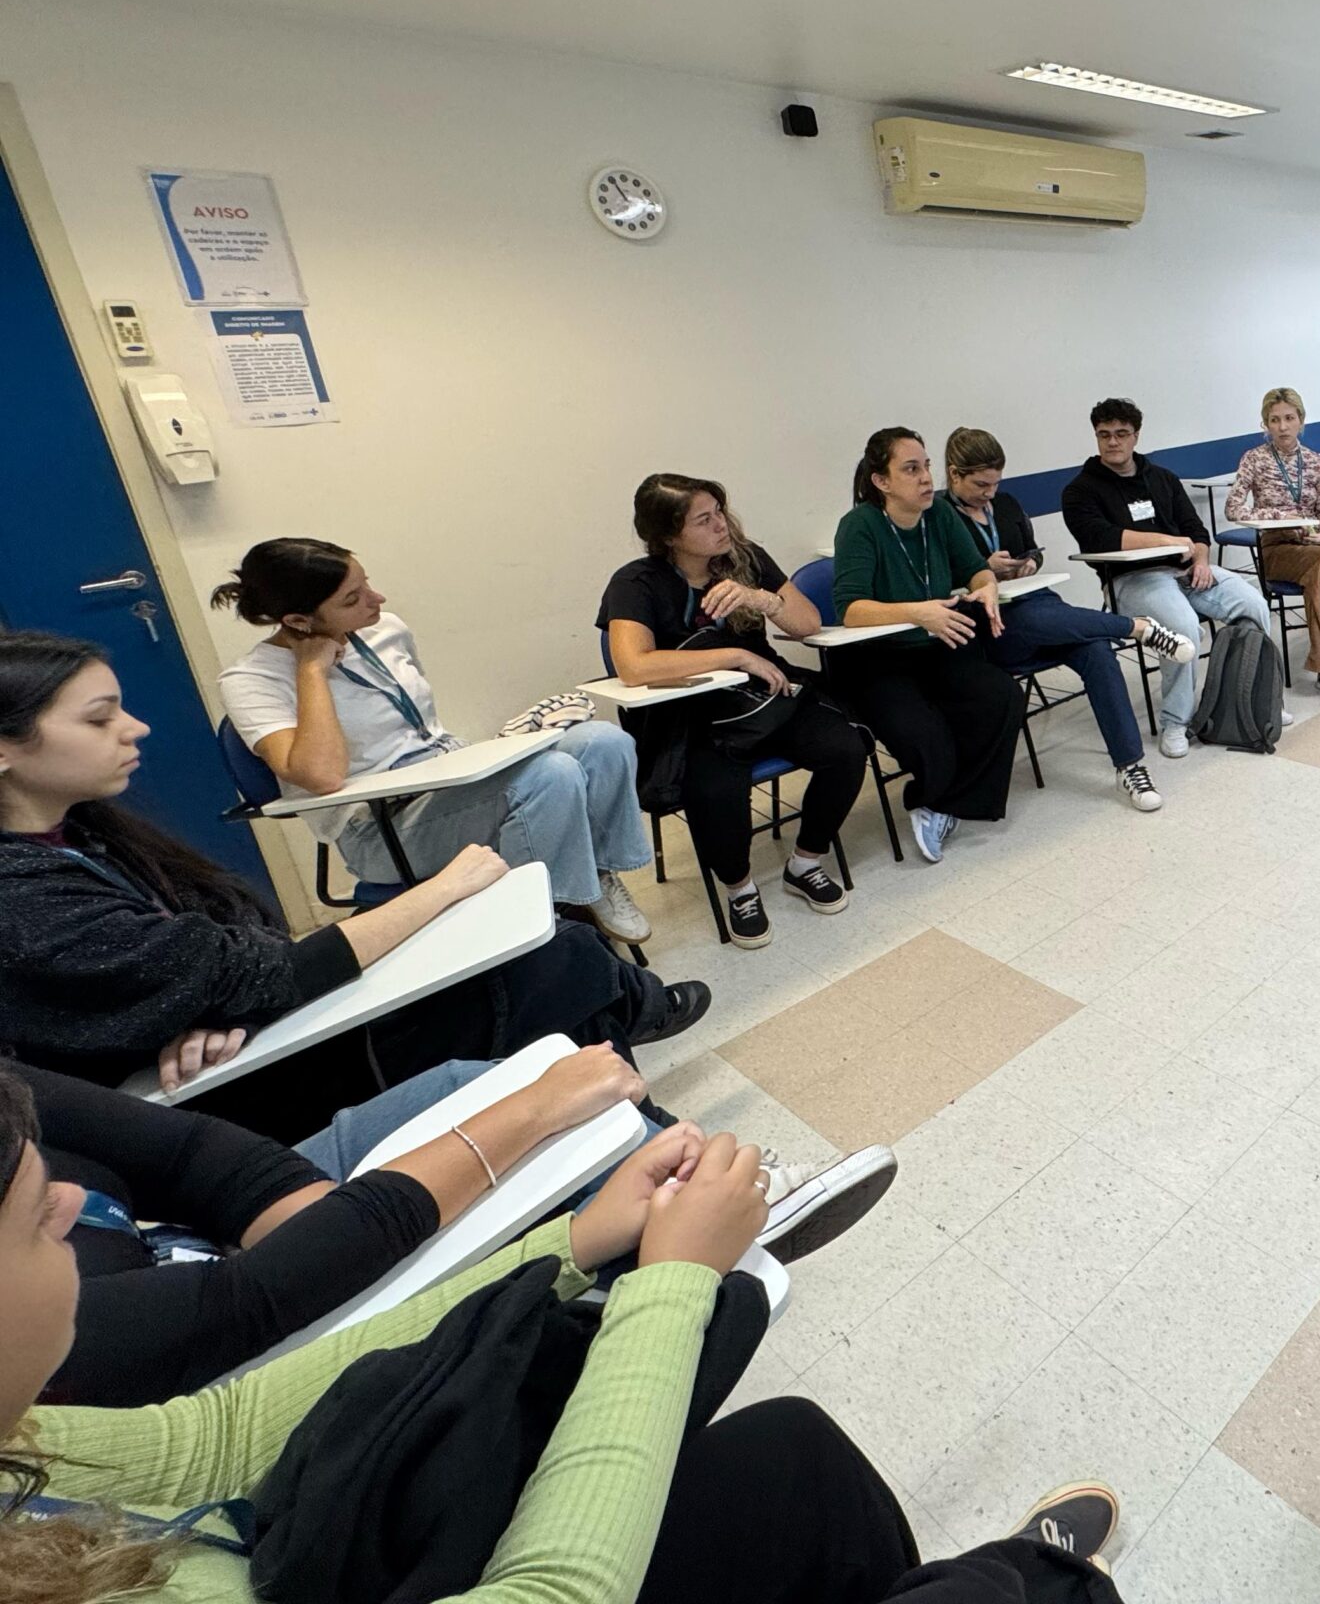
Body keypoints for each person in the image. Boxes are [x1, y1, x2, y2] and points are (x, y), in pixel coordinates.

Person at [2, 1079, 1137, 1603]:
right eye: (20, 1212)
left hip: (307, 1551)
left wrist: (569, 1246)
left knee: (792, 1458)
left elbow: (215, 1437)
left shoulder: (23, 1446)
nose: (65, 1206)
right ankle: (1036, 1585)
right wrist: (669, 1283)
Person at [0, 632, 705, 1148]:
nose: (136, 727)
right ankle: (638, 1079)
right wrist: (449, 887)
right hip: (239, 1096)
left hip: (249, 1038)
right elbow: (253, 957)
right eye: (98, 718)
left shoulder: (85, 832)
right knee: (555, 961)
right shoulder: (25, 903)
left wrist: (200, 1003)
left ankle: (636, 1121)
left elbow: (235, 940)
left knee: (560, 944)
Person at [32, 1043, 893, 1408]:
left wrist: (330, 1227)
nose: (63, 1202)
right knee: (554, 1116)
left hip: (229, 1239)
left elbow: (186, 1151)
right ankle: (692, 1229)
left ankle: (682, 1202)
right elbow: (244, 1312)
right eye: (30, 1212)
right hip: (238, 1315)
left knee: (490, 1076)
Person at [213, 538, 655, 944]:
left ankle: (594, 873)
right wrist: (311, 670)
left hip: (452, 777)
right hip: (380, 826)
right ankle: (547, 926)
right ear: (298, 621)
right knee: (550, 777)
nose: (376, 600)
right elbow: (322, 776)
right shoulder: (251, 680)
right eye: (353, 599)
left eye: (366, 584)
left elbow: (422, 729)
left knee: (603, 741)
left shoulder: (386, 629)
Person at [601, 473, 868, 945]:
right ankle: (739, 888)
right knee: (716, 789)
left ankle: (805, 861)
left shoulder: (746, 559)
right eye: (704, 520)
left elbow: (807, 624)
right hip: (692, 713)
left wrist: (760, 598)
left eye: (719, 511)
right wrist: (737, 654)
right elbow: (633, 665)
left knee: (846, 747)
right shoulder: (636, 583)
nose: (720, 525)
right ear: (667, 536)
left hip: (765, 696)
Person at [942, 427, 1193, 812]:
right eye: (980, 484)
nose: (990, 492)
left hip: (1033, 600)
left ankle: (1130, 766)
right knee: (1043, 623)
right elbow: (940, 578)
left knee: (1094, 649)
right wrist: (980, 570)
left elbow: (1033, 551)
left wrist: (1028, 563)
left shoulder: (1006, 504)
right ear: (954, 474)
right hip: (989, 622)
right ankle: (1136, 628)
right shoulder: (940, 517)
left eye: (995, 483)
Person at [829, 429, 1030, 862]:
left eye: (926, 466)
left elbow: (975, 569)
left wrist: (988, 588)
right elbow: (852, 609)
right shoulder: (859, 525)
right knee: (926, 734)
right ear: (881, 481)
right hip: (876, 659)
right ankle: (933, 798)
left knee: (1002, 697)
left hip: (936, 645)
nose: (925, 478)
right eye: (911, 469)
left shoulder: (938, 513)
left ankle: (944, 803)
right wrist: (917, 612)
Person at [1059, 397, 1282, 756]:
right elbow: (1100, 537)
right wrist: (1169, 540)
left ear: (1136, 436)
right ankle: (1176, 722)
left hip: (1188, 571)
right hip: (1131, 580)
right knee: (1184, 628)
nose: (1112, 442)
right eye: (1104, 435)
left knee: (1253, 605)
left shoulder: (1161, 478)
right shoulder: (1080, 490)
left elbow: (1195, 529)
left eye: (1121, 434)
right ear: (1096, 437)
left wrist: (1202, 560)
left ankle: (1252, 701)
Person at [1224, 387, 1320, 700]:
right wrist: (1278, 514)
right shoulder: (1254, 459)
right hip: (1277, 548)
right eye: (1274, 419)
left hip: (1313, 546)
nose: (1282, 426)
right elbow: (1233, 508)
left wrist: (1319, 535)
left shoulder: (1315, 462)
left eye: (1289, 418)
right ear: (1265, 424)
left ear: (1301, 421)